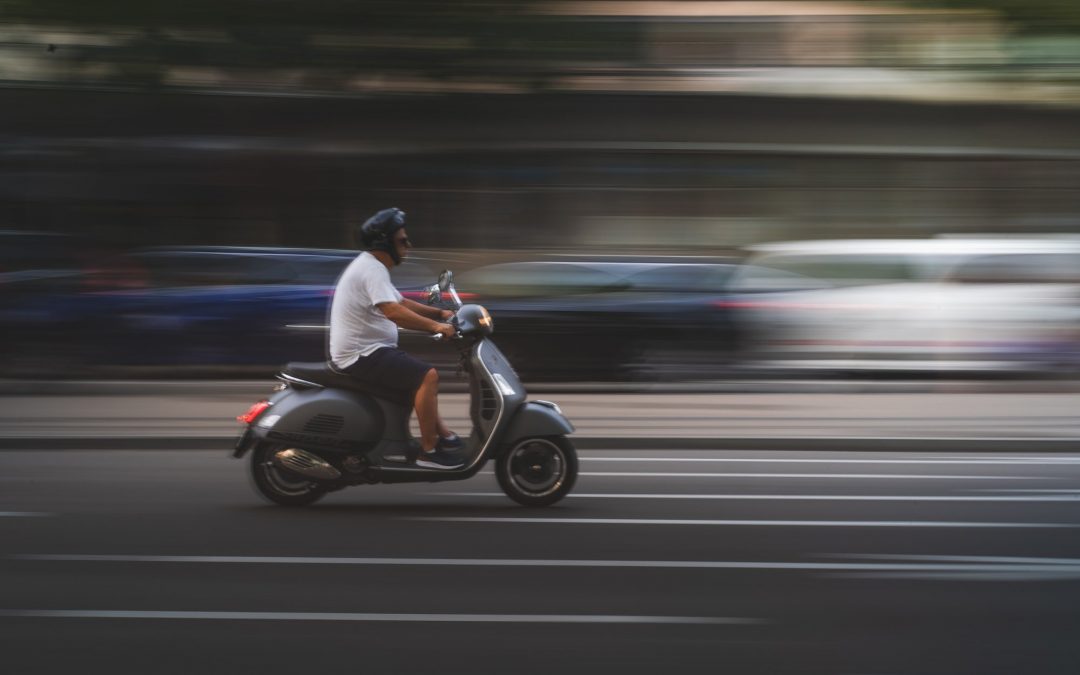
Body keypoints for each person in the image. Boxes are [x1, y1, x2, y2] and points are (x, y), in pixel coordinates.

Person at [328, 207, 464, 469]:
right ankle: (429, 451)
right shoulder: (372, 269)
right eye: (402, 240)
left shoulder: (372, 267)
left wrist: (440, 312)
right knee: (427, 376)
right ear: (384, 243)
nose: (408, 245)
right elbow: (394, 313)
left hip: (370, 350)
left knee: (418, 376)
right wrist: (438, 326)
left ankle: (445, 436)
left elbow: (399, 301)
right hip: (361, 354)